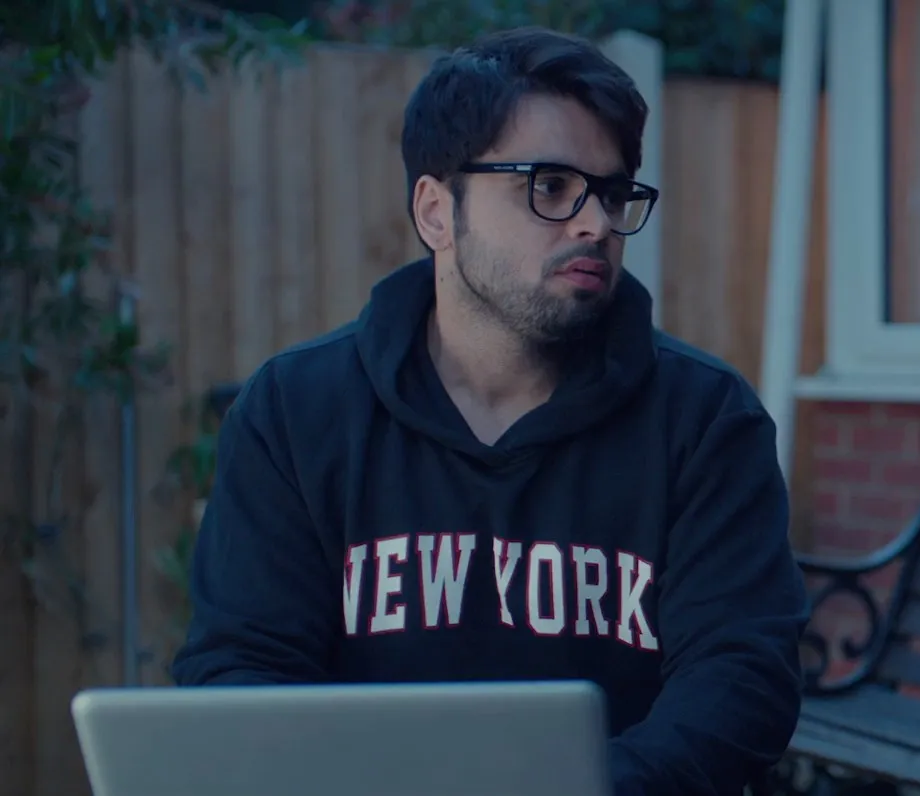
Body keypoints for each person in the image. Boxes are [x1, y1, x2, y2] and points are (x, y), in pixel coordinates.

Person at [170, 27, 809, 796]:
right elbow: (241, 665)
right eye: (549, 186)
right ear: (437, 212)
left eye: (611, 194)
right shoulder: (295, 412)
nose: (595, 224)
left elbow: (740, 678)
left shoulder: (705, 419)